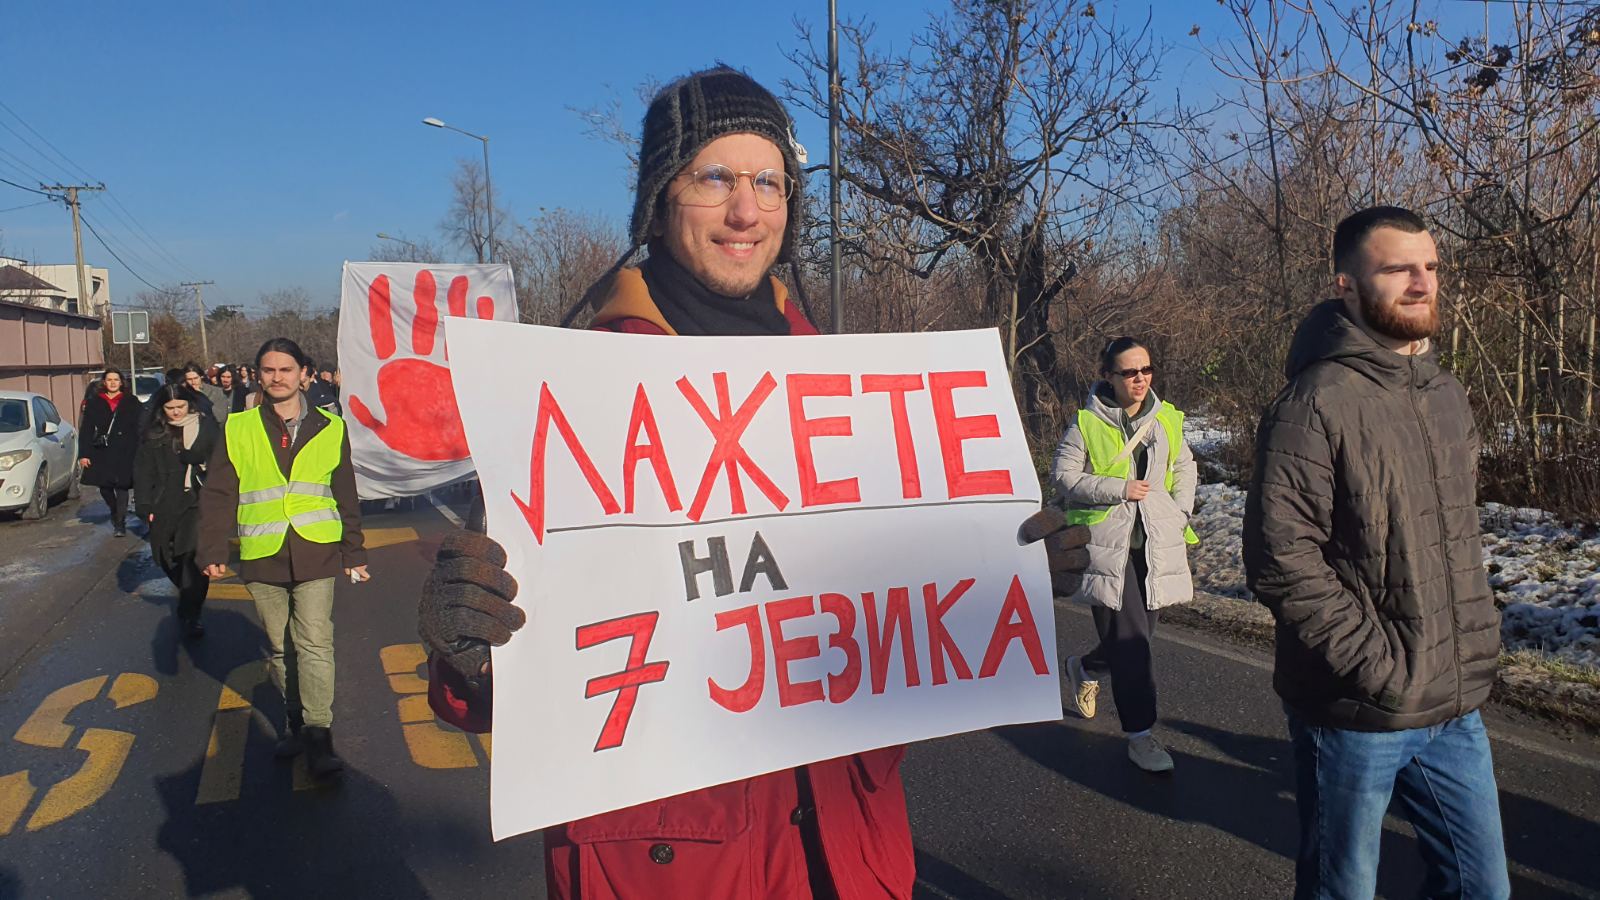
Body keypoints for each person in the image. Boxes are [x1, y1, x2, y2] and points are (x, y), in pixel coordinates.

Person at [418, 66, 918, 900]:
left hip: (845, 855)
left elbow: (900, 615)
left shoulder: (846, 391)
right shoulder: (561, 399)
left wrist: (1000, 560)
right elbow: (514, 689)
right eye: (714, 177)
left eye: (769, 182)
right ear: (658, 202)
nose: (747, 211)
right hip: (671, 866)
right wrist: (467, 653)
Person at [1242, 206, 1508, 900]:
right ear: (1347, 286)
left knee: (1483, 888)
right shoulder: (1314, 401)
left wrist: (1471, 640)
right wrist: (1379, 667)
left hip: (1454, 703)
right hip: (1358, 709)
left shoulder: (1446, 393)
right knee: (1343, 890)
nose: (1423, 283)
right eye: (1398, 270)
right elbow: (1280, 559)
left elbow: (1451, 534)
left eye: (1431, 267)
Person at [198, 337, 369, 781]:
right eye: (269, 370)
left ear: (304, 374)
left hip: (317, 549)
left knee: (314, 641)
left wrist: (353, 550)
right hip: (262, 552)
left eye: (286, 369)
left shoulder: (332, 427)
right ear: (258, 375)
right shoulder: (238, 427)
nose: (277, 378)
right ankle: (294, 723)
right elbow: (218, 493)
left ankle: (319, 735)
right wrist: (213, 548)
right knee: (280, 646)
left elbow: (345, 492)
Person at [1052, 337, 1198, 773]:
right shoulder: (1086, 423)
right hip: (1104, 549)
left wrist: (1181, 511)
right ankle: (1140, 736)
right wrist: (1118, 489)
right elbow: (1064, 477)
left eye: (1146, 370)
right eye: (1130, 372)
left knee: (1138, 637)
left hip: (1154, 544)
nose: (1140, 379)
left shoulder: (1167, 418)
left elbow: (1184, 466)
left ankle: (1085, 667)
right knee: (1132, 645)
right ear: (1108, 377)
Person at [135, 383, 219, 639]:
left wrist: (201, 461)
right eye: (170, 407)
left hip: (197, 500)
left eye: (180, 406)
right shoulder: (154, 433)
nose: (176, 412)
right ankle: (188, 593)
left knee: (193, 558)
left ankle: (192, 613)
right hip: (165, 501)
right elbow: (143, 471)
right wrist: (144, 504)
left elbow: (222, 463)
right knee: (166, 557)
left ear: (189, 404)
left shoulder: (206, 427)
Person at [79, 367, 143, 536]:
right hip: (103, 449)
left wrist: (142, 448)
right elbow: (86, 429)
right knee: (105, 486)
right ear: (104, 382)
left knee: (122, 485)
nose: (113, 383)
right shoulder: (94, 402)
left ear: (121, 382)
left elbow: (140, 426)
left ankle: (120, 523)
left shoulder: (131, 401)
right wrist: (84, 454)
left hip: (126, 448)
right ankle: (114, 510)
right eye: (109, 380)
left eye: (116, 379)